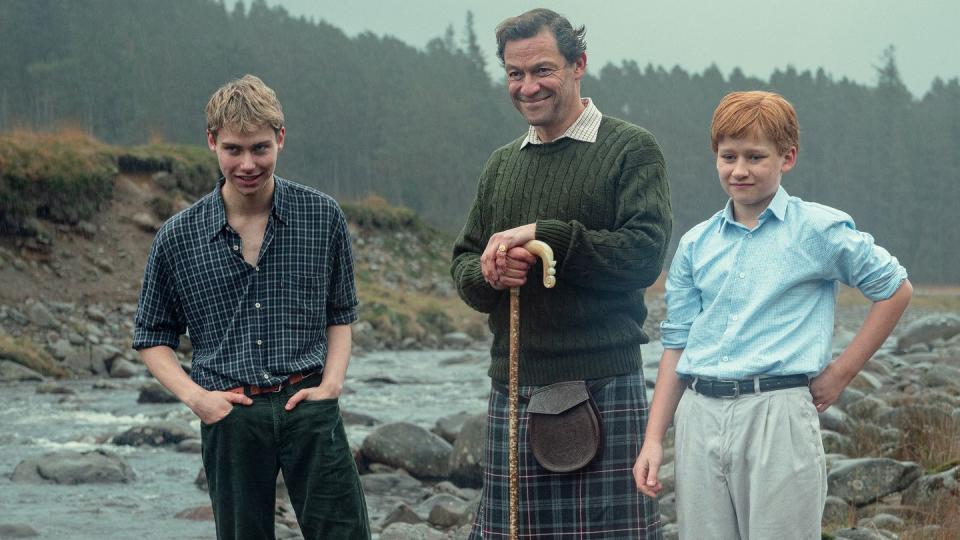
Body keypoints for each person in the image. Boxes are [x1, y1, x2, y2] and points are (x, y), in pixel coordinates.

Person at [633, 90, 913, 539]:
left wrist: (841, 373)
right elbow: (677, 343)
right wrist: (653, 439)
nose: (739, 170)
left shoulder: (819, 230)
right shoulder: (695, 244)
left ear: (788, 157)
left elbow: (895, 289)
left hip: (777, 413)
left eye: (755, 157)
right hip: (699, 414)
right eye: (728, 156)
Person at [451, 8, 671, 538]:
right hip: (513, 386)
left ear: (579, 65)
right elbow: (463, 264)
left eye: (542, 70)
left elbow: (644, 256)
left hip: (602, 385)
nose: (528, 86)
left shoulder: (630, 150)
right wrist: (490, 273)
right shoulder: (501, 165)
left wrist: (547, 235)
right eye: (515, 73)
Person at [133, 74, 369, 540]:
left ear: (280, 138)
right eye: (233, 150)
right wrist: (197, 399)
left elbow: (340, 313)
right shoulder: (178, 237)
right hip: (230, 415)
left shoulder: (322, 216)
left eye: (260, 148)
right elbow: (152, 337)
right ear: (212, 143)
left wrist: (333, 385)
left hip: (309, 405)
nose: (247, 164)